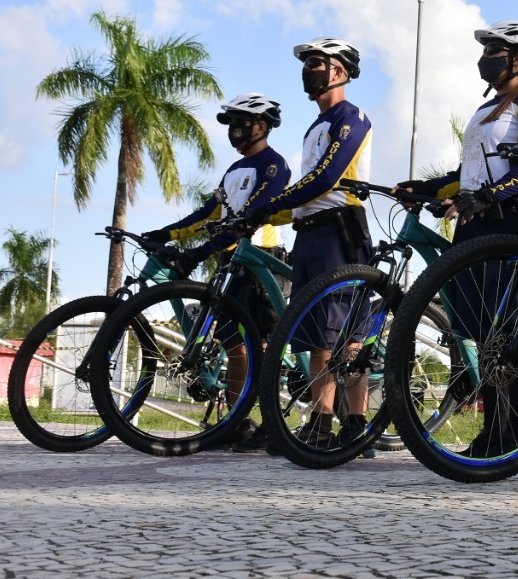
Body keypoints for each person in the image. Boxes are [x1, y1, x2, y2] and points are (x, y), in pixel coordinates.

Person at [394, 20, 518, 456]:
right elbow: (465, 177)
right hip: (473, 225)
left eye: (494, 51)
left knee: (512, 335)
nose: (485, 59)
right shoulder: (485, 110)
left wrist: (489, 197)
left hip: (510, 223)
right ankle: (491, 432)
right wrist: (422, 189)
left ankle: (513, 435)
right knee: (484, 336)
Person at [232, 38, 375, 456]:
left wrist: (273, 202)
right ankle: (324, 421)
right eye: (307, 63)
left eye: (316, 62)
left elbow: (326, 179)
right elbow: (303, 193)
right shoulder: (315, 125)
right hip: (309, 233)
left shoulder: (353, 117)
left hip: (340, 231)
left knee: (342, 336)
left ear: (339, 71)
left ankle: (347, 424)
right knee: (317, 335)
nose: (308, 70)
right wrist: (266, 213)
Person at [143, 92, 291, 448]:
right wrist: (168, 232)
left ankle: (273, 419)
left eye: (242, 123)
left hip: (261, 260)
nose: (235, 130)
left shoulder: (274, 165)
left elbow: (255, 212)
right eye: (232, 124)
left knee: (266, 346)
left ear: (261, 126)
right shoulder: (233, 170)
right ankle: (236, 421)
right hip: (229, 263)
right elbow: (208, 213)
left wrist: (206, 247)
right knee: (233, 344)